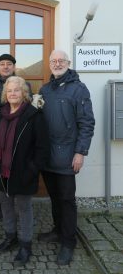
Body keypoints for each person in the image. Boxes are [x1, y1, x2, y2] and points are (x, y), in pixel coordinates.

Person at [38, 49, 95, 266]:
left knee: (67, 200)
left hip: (68, 155)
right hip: (47, 156)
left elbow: (87, 123)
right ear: (50, 64)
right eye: (54, 61)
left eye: (61, 60)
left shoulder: (79, 89)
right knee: (54, 197)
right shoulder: (45, 89)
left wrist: (80, 152)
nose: (57, 63)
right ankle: (58, 230)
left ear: (68, 63)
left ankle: (68, 242)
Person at [0, 76, 49, 266]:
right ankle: (10, 237)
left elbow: (42, 148)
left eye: (17, 90)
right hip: (2, 172)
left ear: (24, 93)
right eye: (10, 90)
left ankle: (25, 245)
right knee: (5, 206)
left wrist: (32, 169)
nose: (13, 93)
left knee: (24, 209)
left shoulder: (33, 115)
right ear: (5, 93)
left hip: (23, 172)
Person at [0, 53, 32, 226]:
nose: (5, 67)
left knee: (15, 172)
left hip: (17, 133)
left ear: (13, 67)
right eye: (2, 64)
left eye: (9, 64)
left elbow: (29, 105)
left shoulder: (24, 85)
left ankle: (19, 211)